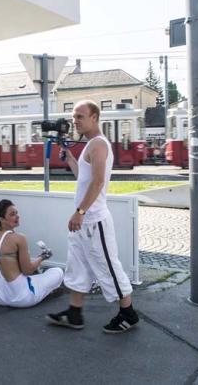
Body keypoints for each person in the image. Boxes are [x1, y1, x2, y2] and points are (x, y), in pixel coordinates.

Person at [46, 100, 139, 334]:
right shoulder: (90, 145)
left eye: (80, 116)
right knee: (77, 266)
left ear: (94, 117)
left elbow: (98, 183)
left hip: (94, 221)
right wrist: (70, 159)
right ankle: (74, 313)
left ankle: (128, 313)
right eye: (74, 116)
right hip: (84, 222)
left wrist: (80, 212)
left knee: (108, 266)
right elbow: (85, 179)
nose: (75, 121)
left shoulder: (98, 144)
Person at [0, 199, 64, 308]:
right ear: (2, 219)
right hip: (22, 298)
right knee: (57, 272)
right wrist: (42, 257)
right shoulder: (19, 238)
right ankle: (47, 291)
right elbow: (27, 270)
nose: (17, 216)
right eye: (12, 214)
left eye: (17, 213)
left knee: (37, 278)